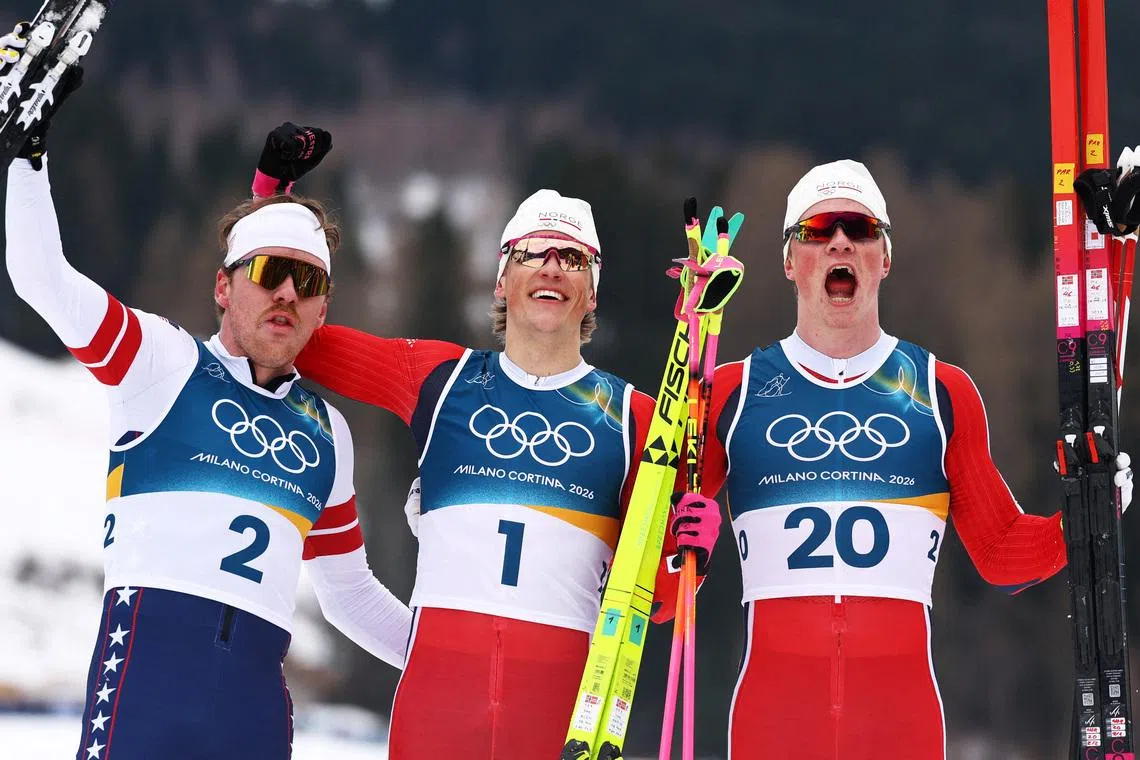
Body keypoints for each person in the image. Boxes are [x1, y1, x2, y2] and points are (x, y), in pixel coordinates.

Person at [3, 31, 411, 760]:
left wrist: (458, 657)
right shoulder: (161, 364)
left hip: (254, 715)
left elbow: (349, 596)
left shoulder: (327, 435)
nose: (287, 293)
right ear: (223, 287)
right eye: (268, 273)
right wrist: (28, 158)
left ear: (323, 310)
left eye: (308, 282)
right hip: (146, 693)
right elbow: (43, 279)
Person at [247, 134, 699, 757]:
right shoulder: (441, 379)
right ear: (501, 281)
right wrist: (270, 209)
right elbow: (291, 334)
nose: (550, 267)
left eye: (572, 259)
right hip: (436, 706)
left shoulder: (636, 418)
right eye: (532, 253)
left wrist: (689, 552)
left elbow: (658, 603)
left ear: (592, 293)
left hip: (559, 712)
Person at [666, 158, 1134, 759]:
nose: (840, 241)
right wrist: (684, 552)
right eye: (817, 230)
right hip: (772, 719)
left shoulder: (941, 392)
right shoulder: (731, 393)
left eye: (860, 230)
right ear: (789, 261)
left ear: (883, 258)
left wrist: (1087, 519)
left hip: (899, 722)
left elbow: (1002, 555)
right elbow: (658, 590)